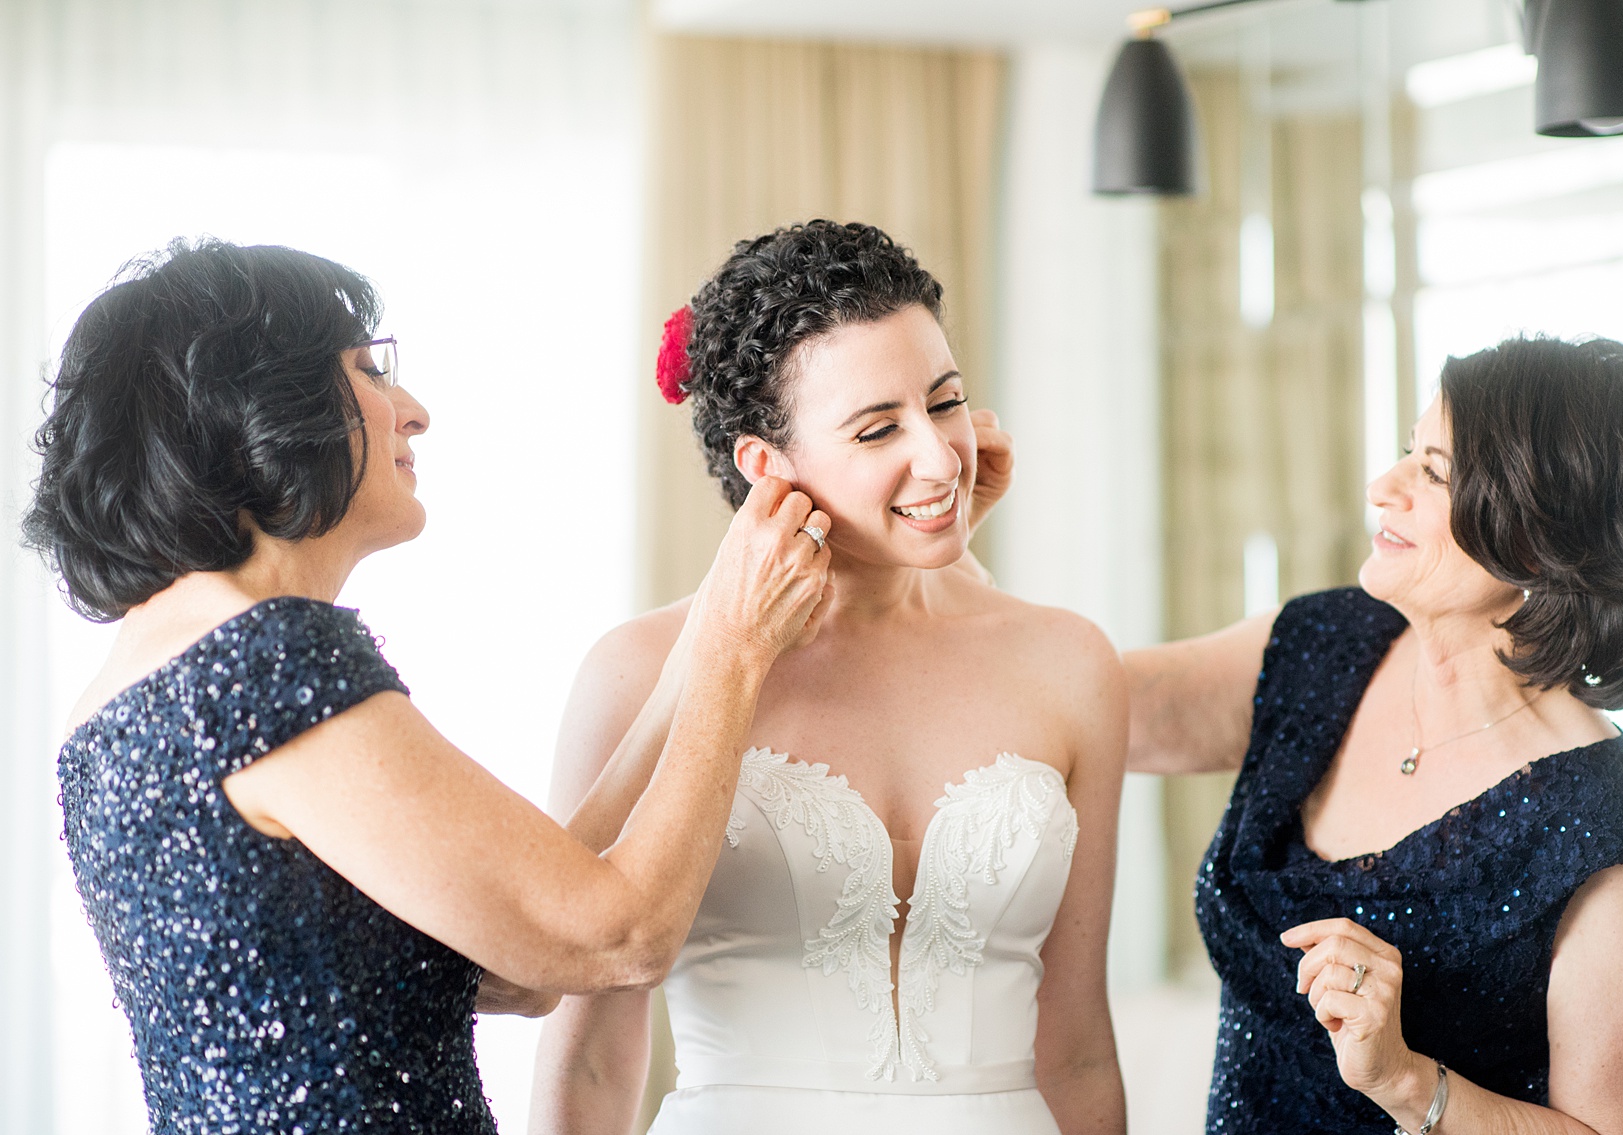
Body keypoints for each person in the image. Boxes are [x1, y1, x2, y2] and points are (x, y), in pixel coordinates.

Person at [23, 238, 832, 1135]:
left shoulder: (130, 686)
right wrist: (738, 653)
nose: (415, 412)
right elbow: (619, 936)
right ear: (261, 403)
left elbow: (523, 968)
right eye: (371, 370)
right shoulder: (262, 665)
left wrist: (699, 645)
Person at [529, 220, 1129, 1135]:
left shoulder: (1070, 663)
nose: (938, 456)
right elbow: (593, 1058)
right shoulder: (635, 673)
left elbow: (1080, 1042)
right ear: (767, 465)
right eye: (878, 427)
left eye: (946, 401)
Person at [1107, 337, 1623, 1131]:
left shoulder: (1607, 830)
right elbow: (1084, 704)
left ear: (1540, 536)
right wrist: (934, 559)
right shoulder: (1327, 642)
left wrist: (1407, 1079)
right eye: (1407, 453)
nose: (1382, 487)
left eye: (1434, 472)